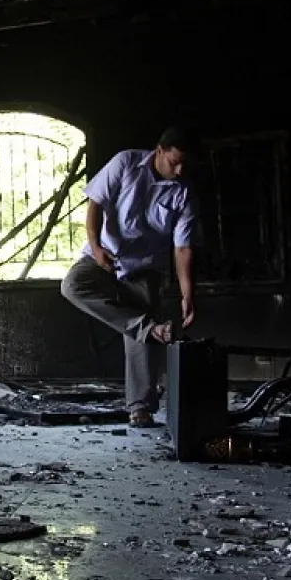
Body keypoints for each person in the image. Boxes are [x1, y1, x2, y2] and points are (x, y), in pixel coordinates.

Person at [61, 127, 198, 428]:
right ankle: (149, 328)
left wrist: (188, 294)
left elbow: (183, 247)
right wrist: (96, 248)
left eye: (185, 164)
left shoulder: (184, 191)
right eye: (174, 162)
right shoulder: (125, 163)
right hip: (106, 256)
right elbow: (95, 203)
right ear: (159, 151)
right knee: (72, 286)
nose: (180, 170)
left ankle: (140, 408)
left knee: (142, 330)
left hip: (144, 268)